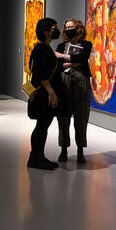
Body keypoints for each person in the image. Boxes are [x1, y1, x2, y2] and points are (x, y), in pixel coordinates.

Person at [27, 17, 65, 170]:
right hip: (44, 94)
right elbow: (42, 74)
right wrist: (51, 92)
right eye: (53, 28)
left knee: (43, 126)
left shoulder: (41, 47)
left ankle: (39, 156)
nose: (56, 31)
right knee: (42, 126)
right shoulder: (42, 48)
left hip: (43, 93)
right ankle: (35, 158)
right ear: (45, 31)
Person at [55, 18, 93, 164]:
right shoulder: (60, 45)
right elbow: (58, 64)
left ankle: (80, 150)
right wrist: (72, 62)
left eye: (71, 26)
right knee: (63, 116)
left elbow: (83, 58)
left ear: (78, 28)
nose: (68, 29)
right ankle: (63, 149)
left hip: (81, 82)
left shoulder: (86, 44)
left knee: (81, 116)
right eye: (66, 27)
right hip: (64, 82)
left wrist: (64, 58)